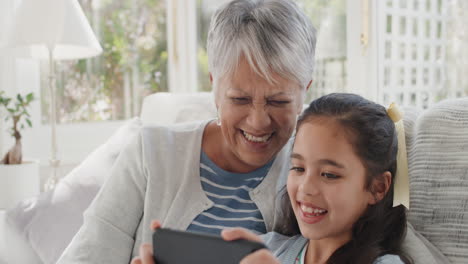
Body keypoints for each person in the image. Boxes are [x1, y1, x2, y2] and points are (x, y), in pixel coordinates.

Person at [57, 0, 316, 263]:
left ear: (305, 90)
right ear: (214, 86)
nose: (258, 122)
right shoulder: (150, 152)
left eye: (278, 101)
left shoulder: (318, 173)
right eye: (239, 99)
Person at [221, 93, 414, 264]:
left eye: (329, 175)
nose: (305, 188)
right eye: (298, 168)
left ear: (377, 188)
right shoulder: (267, 248)